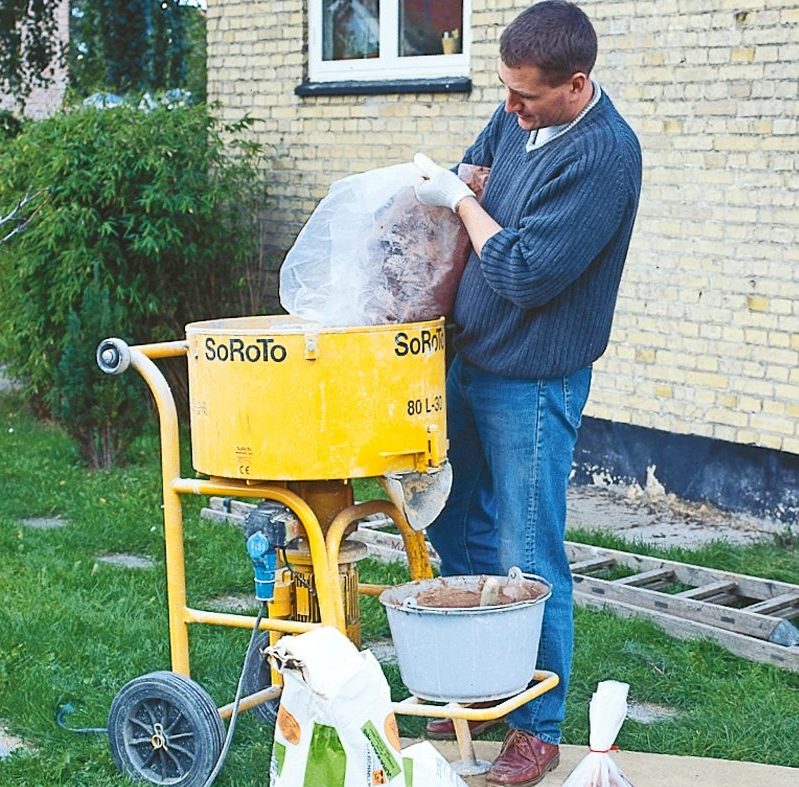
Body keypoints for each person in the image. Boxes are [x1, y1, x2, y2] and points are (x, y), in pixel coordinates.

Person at [412, 2, 642, 785]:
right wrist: (464, 195)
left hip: (533, 379)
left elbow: (518, 270)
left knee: (528, 552)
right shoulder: (517, 109)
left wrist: (469, 205)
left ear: (575, 86)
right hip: (469, 361)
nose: (508, 110)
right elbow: (467, 167)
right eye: (504, 91)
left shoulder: (605, 156)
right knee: (454, 524)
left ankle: (535, 728)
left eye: (526, 97)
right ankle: (477, 684)